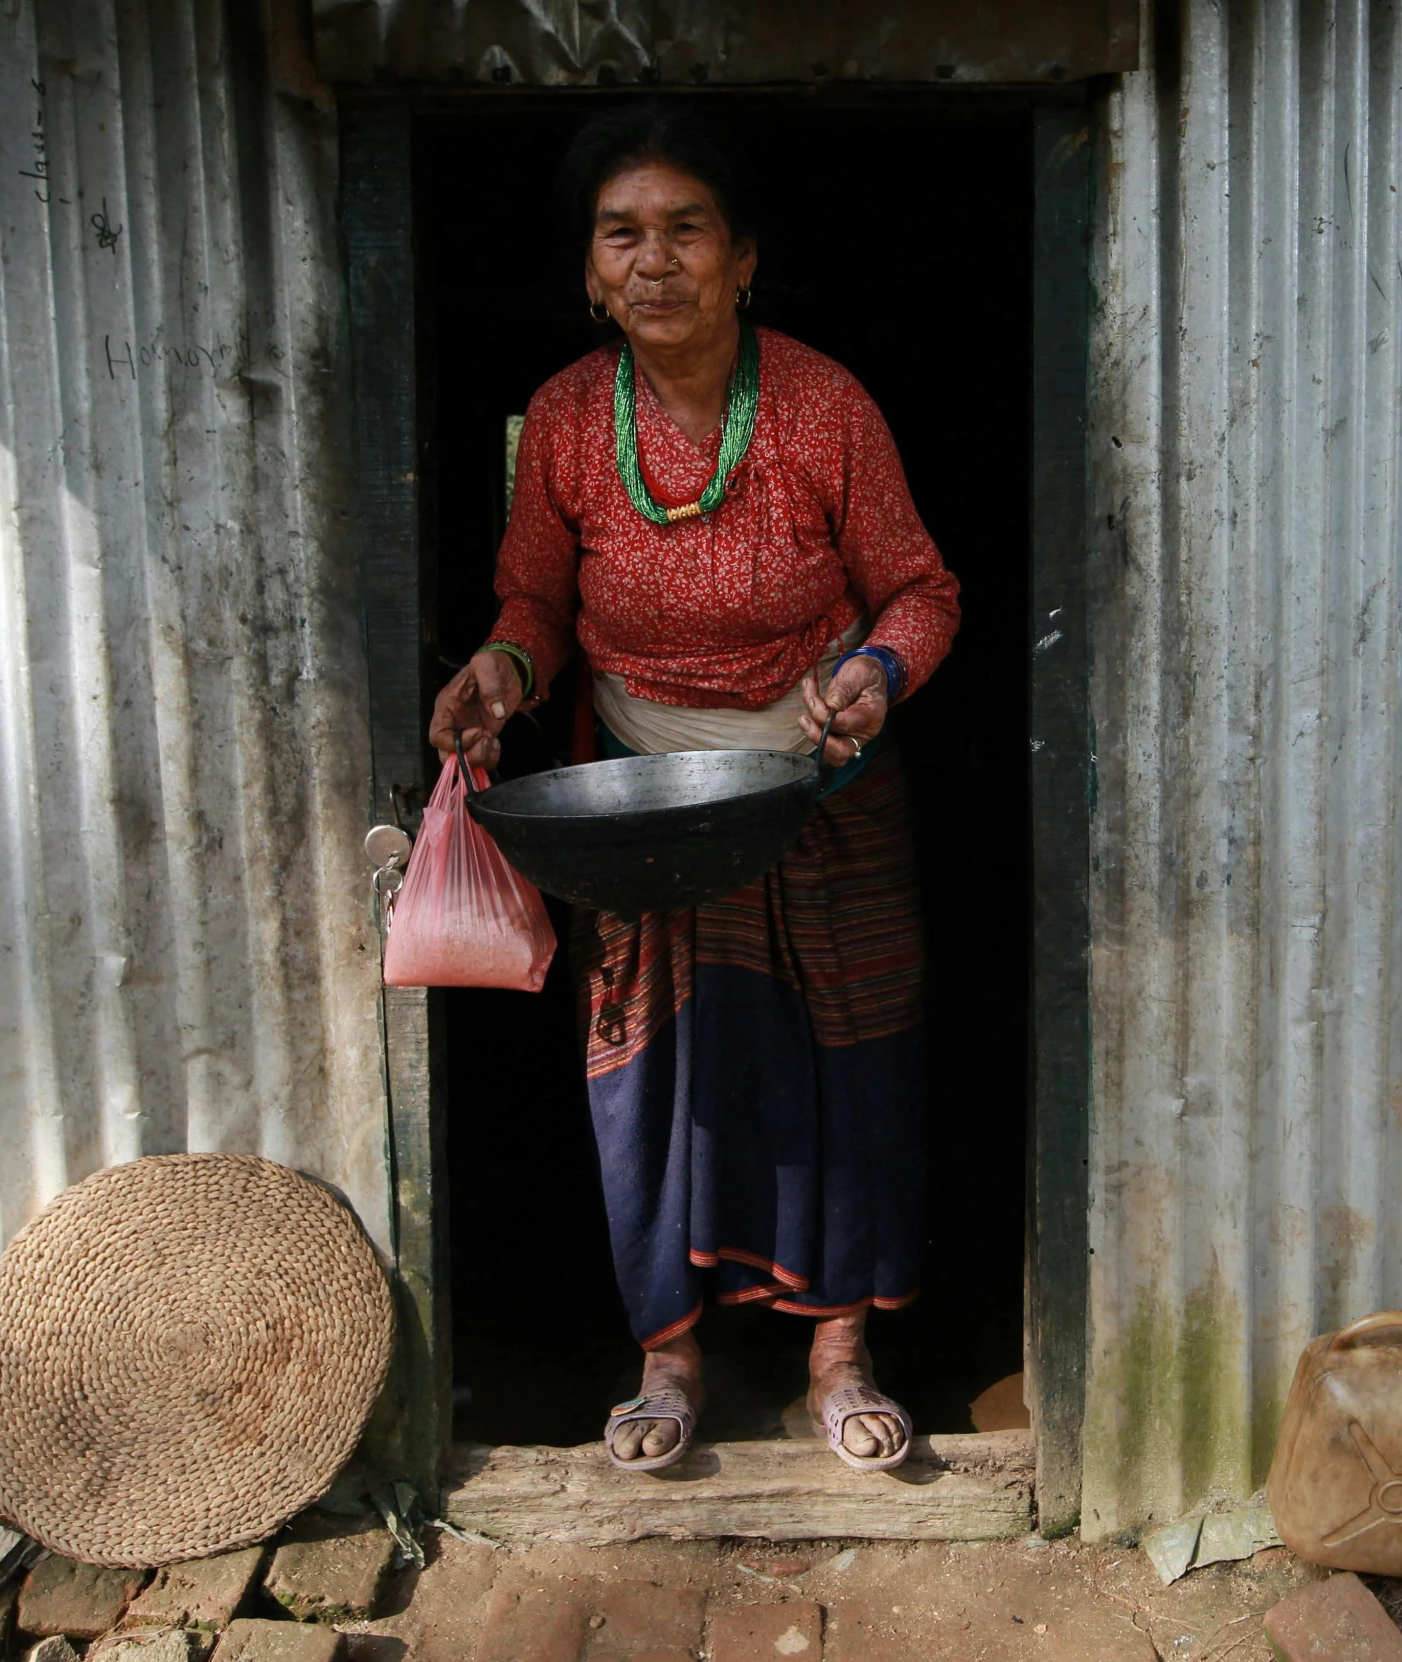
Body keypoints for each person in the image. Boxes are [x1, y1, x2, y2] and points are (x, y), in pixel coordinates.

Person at [429, 103, 961, 1473]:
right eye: (623, 233)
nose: (654, 260)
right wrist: (500, 668)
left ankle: (840, 1354)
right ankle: (668, 1357)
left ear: (743, 261)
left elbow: (920, 586)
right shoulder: (559, 418)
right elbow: (536, 601)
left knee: (841, 1071)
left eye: (686, 229)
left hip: (816, 774)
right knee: (656, 1076)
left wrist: (880, 674)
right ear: (591, 271)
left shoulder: (824, 404)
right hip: (645, 810)